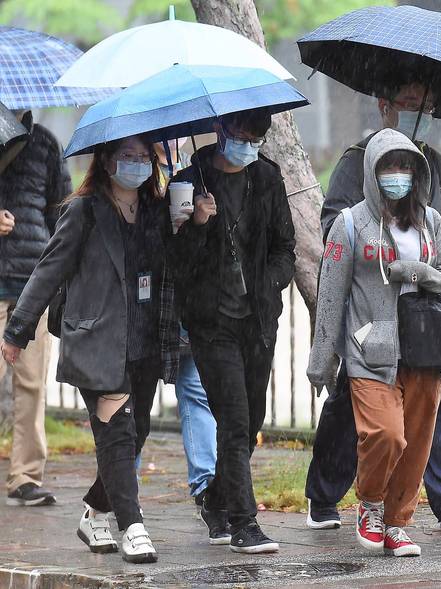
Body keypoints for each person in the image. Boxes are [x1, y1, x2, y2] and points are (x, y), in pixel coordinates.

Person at [306, 80, 441, 532]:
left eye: (428, 106)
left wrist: (430, 273)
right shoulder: (356, 162)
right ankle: (327, 494)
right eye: (412, 105)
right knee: (354, 413)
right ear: (385, 106)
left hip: (423, 322)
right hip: (369, 322)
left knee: (434, 407)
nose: (421, 114)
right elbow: (335, 224)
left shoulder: (437, 168)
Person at [1, 133, 179, 563]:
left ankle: (95, 512)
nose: (136, 164)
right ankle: (132, 525)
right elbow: (48, 269)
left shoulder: (159, 209)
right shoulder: (84, 210)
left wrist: (191, 220)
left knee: (135, 434)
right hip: (97, 338)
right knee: (116, 431)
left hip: (144, 340)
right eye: (127, 156)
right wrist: (17, 331)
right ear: (107, 160)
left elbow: (176, 267)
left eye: (143, 156)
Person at [308, 128, 441, 557]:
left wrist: (418, 272)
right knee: (387, 435)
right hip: (369, 349)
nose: (397, 174)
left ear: (416, 172)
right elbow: (331, 296)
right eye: (388, 167)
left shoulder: (430, 220)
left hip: (425, 352)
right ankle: (370, 503)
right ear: (373, 173)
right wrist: (321, 362)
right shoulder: (349, 224)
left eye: (404, 166)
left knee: (418, 442)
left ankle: (397, 522)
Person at [169, 107, 295, 553]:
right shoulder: (189, 183)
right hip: (211, 323)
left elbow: (286, 247)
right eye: (240, 134)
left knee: (251, 420)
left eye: (255, 137)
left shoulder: (267, 178)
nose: (247, 144)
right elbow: (177, 264)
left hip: (258, 321)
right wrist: (198, 226)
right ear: (220, 131)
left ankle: (216, 500)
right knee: (234, 417)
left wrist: (270, 283)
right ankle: (244, 524)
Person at [0, 109, 69, 508]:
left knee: (30, 383)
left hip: (31, 284)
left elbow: (59, 213)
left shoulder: (44, 143)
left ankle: (25, 476)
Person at [153, 139, 217, 510]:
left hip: (185, 300)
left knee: (195, 390)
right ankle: (117, 491)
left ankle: (205, 485)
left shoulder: (193, 173)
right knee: (131, 400)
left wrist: (194, 222)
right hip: (150, 300)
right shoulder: (141, 168)